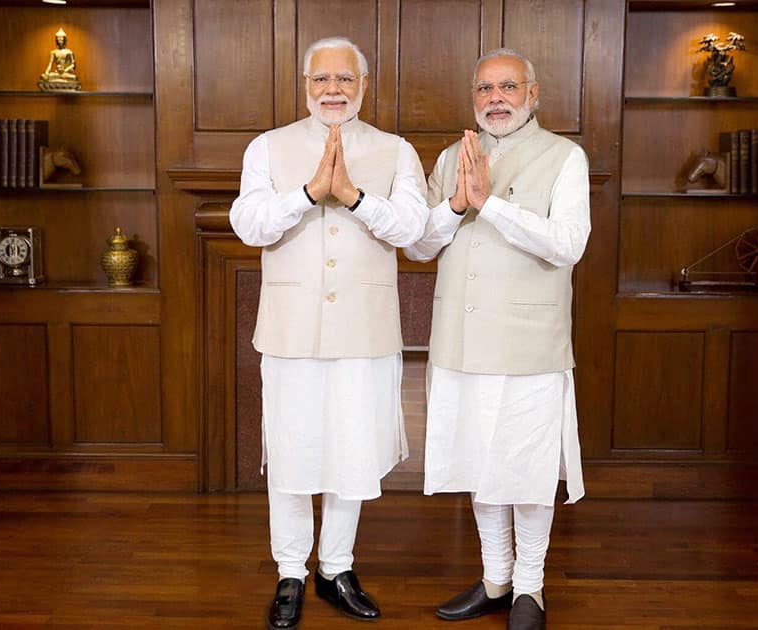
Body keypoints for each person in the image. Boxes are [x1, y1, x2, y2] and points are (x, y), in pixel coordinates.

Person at [229, 36, 429, 630]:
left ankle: (336, 566)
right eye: (322, 80)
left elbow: (415, 228)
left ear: (364, 86)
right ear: (306, 85)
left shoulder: (395, 150)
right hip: (290, 328)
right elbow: (248, 223)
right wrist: (310, 195)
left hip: (365, 331)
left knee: (352, 448)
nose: (334, 90)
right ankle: (291, 570)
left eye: (346, 79)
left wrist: (356, 199)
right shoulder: (267, 147)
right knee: (291, 451)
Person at [404, 47, 591, 630]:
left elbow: (568, 245)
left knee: (528, 469)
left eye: (508, 87)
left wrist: (489, 207)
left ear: (533, 95)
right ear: (473, 98)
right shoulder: (450, 158)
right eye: (484, 89)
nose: (496, 99)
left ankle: (529, 589)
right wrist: (457, 203)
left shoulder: (565, 157)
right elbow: (418, 245)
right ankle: (494, 578)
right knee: (480, 465)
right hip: (461, 339)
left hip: (530, 342)